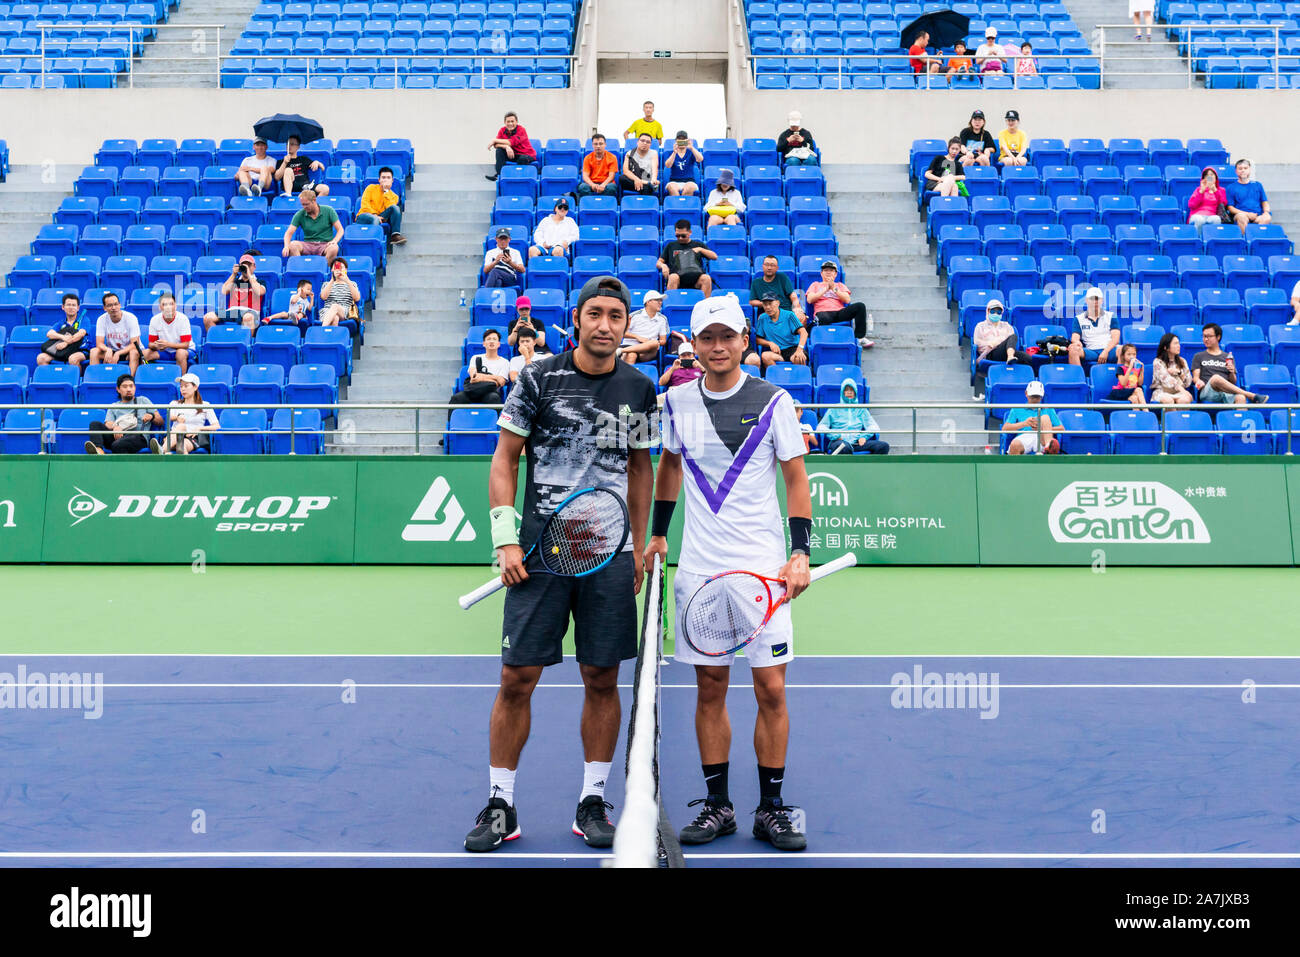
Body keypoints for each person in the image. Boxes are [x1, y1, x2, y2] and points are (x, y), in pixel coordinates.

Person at [465, 275, 657, 853]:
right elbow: (505, 460)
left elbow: (641, 468)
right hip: (539, 555)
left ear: (628, 325)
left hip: (610, 555)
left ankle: (593, 801)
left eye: (616, 316)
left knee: (601, 677)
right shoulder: (537, 378)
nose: (605, 325)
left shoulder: (639, 387)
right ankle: (501, 804)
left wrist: (642, 543)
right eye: (595, 313)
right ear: (577, 319)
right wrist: (505, 539)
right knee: (515, 678)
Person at [645, 293, 812, 852]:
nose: (717, 347)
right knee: (709, 687)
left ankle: (771, 808)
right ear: (693, 345)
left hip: (765, 574)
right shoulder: (674, 403)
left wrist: (800, 552)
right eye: (706, 338)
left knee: (771, 689)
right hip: (700, 572)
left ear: (745, 338)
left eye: (727, 336)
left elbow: (795, 478)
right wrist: (660, 532)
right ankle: (718, 805)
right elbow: (668, 466)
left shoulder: (775, 400)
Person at [85, 373, 162, 455]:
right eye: (125, 386)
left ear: (135, 388)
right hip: (118, 436)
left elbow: (160, 421)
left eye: (131, 386)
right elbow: (108, 423)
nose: (129, 389)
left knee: (117, 445)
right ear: (118, 389)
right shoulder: (114, 406)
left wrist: (152, 416)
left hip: (138, 437)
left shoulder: (143, 400)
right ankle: (99, 451)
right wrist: (115, 426)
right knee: (95, 424)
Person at [1190, 322, 1266, 405]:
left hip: (1225, 392)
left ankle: (1240, 417)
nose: (1206, 339)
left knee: (1241, 397)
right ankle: (1251, 396)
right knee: (1215, 378)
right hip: (1207, 391)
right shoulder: (1198, 356)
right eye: (1204, 336)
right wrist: (1198, 381)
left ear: (1218, 337)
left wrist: (1232, 372)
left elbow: (1233, 382)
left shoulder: (1228, 357)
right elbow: (1195, 377)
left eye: (1209, 336)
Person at [805, 260, 873, 348]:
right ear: (821, 273)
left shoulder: (840, 285)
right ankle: (826, 340)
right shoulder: (815, 285)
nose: (828, 272)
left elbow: (847, 300)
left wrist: (834, 289)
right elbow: (810, 300)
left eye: (831, 270)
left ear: (835, 274)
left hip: (840, 312)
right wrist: (825, 289)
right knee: (822, 317)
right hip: (823, 313)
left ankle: (859, 337)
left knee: (860, 306)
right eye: (826, 270)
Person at [150, 372, 219, 455]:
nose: (183, 389)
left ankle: (163, 450)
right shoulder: (174, 403)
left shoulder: (205, 405)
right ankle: (165, 450)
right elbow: (169, 417)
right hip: (174, 437)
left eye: (186, 386)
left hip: (193, 437)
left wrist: (199, 428)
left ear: (195, 387)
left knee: (182, 445)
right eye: (181, 386)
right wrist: (177, 418)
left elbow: (216, 426)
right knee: (181, 427)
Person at [818, 378, 888, 454]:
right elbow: (821, 426)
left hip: (857, 442)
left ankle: (871, 466)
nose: (849, 392)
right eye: (847, 390)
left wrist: (864, 437)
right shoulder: (834, 409)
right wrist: (836, 436)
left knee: (883, 446)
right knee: (844, 447)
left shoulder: (861, 409)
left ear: (855, 392)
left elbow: (873, 426)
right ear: (843, 393)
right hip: (839, 441)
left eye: (852, 390)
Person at [203, 253, 264, 329]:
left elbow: (259, 292)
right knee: (208, 317)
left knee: (248, 318)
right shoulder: (235, 281)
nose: (246, 268)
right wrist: (234, 274)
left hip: (250, 312)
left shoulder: (260, 281)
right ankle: (217, 339)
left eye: (249, 265)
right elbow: (224, 291)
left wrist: (249, 274)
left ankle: (246, 340)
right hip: (232, 311)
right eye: (243, 266)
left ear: (254, 267)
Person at [283, 188, 344, 265]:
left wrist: (335, 241)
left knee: (334, 248)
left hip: (325, 244)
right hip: (308, 244)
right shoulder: (300, 214)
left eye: (307, 204)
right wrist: (286, 246)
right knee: (292, 245)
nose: (304, 207)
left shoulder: (329, 210)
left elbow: (340, 230)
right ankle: (300, 269)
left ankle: (324, 269)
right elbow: (289, 233)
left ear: (314, 200)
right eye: (303, 204)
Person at [971, 298, 1017, 399]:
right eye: (993, 311)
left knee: (1025, 357)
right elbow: (978, 344)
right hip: (990, 354)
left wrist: (996, 342)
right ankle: (1010, 356)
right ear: (988, 311)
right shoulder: (980, 326)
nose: (996, 314)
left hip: (1006, 352)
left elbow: (1010, 342)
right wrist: (994, 344)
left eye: (998, 311)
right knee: (1012, 338)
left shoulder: (1007, 326)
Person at [451, 328, 510, 404]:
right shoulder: (475, 358)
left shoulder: (505, 362)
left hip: (490, 392)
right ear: (484, 343)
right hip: (473, 390)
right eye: (488, 339)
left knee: (494, 398)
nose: (491, 341)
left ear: (498, 344)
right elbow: (474, 377)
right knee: (456, 398)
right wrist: (495, 378)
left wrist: (481, 377)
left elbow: (501, 382)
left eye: (494, 339)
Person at [89, 291, 143, 374]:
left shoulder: (131, 318)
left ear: (120, 305)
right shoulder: (101, 319)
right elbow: (99, 343)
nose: (113, 307)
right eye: (110, 305)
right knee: (94, 351)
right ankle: (95, 379)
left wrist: (118, 353)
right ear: (104, 308)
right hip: (112, 350)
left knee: (134, 352)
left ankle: (129, 381)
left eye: (116, 304)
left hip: (129, 351)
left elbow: (135, 344)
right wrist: (108, 350)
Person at [1003, 380, 1063, 454]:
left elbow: (1061, 428)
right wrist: (1025, 423)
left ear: (1042, 395)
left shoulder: (1049, 409)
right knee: (1015, 445)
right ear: (1026, 393)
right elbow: (1005, 428)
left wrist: (1042, 428)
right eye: (1032, 396)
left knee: (1045, 418)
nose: (1035, 399)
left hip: (1043, 437)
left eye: (1037, 397)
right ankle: (1014, 465)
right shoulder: (1016, 409)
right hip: (1024, 436)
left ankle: (1048, 447)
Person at [658, 219, 716, 295]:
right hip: (678, 279)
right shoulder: (671, 245)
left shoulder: (698, 244)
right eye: (677, 236)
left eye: (683, 236)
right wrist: (663, 266)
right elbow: (659, 262)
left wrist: (701, 249)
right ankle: (671, 304)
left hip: (695, 279)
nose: (680, 238)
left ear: (690, 232)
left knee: (706, 278)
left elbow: (714, 256)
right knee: (673, 277)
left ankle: (704, 305)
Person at [1068, 287, 1119, 366]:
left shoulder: (1111, 316)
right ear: (1086, 300)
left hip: (1109, 350)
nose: (1095, 301)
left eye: (1097, 299)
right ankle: (1079, 377)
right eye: (1092, 299)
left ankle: (1121, 377)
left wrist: (1106, 351)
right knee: (1072, 349)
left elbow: (1116, 339)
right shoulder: (1079, 318)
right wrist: (1077, 343)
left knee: (1124, 350)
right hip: (1091, 351)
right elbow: (1075, 337)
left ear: (1102, 300)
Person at [142, 292, 193, 372]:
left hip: (185, 350)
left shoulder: (183, 319)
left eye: (171, 304)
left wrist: (167, 344)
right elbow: (150, 344)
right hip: (164, 351)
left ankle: (181, 382)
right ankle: (147, 380)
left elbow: (186, 345)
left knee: (180, 353)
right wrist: (156, 346)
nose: (168, 307)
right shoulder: (154, 320)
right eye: (164, 304)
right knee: (144, 354)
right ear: (160, 307)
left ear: (175, 306)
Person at [754, 294, 808, 367]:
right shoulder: (762, 318)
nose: (768, 307)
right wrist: (770, 343)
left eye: (770, 304)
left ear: (778, 303)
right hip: (776, 352)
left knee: (798, 358)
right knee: (765, 356)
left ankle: (797, 378)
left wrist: (799, 349)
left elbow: (804, 333)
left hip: (792, 348)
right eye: (765, 304)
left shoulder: (789, 315)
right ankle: (776, 377)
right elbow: (758, 339)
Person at [37, 292, 88, 369]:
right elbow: (49, 334)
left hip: (81, 350)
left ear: (78, 308)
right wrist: (63, 337)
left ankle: (76, 379)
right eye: (68, 305)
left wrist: (66, 343)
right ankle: (48, 379)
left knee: (73, 359)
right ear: (63, 307)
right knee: (41, 358)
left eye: (73, 305)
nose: (71, 307)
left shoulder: (84, 320)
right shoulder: (61, 323)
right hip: (63, 351)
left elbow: (81, 334)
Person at [356, 166, 405, 245]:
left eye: (388, 178)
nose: (385, 180)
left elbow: (390, 208)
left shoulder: (394, 196)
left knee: (395, 208)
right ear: (379, 180)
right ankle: (373, 243)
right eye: (383, 177)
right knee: (375, 219)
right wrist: (374, 215)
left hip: (381, 216)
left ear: (392, 180)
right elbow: (365, 204)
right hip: (364, 215)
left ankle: (395, 235)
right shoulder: (370, 188)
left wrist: (386, 191)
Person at [749, 255, 805, 321]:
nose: (769, 267)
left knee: (802, 318)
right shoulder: (756, 282)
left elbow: (793, 296)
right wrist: (768, 304)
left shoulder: (782, 277)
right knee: (762, 318)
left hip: (786, 311)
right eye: (766, 265)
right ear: (762, 266)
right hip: (768, 312)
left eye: (772, 265)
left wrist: (797, 308)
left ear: (777, 268)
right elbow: (752, 301)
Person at [619, 290, 668, 364]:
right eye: (657, 300)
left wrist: (648, 342)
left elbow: (663, 341)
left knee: (654, 343)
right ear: (648, 302)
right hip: (630, 346)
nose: (660, 302)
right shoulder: (634, 316)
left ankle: (620, 351)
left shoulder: (662, 319)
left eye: (661, 300)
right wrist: (637, 337)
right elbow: (621, 333)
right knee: (632, 355)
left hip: (647, 351)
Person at [1224, 158, 1271, 235]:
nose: (1243, 170)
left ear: (1249, 170)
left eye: (1245, 168)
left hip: (1257, 215)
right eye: (1240, 168)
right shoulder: (1231, 187)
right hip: (1241, 215)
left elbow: (1264, 202)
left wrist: (1266, 212)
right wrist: (1247, 214)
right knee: (1241, 217)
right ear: (1236, 171)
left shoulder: (1257, 185)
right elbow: (1230, 208)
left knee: (1267, 217)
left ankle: (1257, 241)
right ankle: (1246, 241)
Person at [486, 111, 537, 182]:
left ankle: (519, 180)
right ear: (505, 122)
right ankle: (499, 176)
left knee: (522, 159)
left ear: (516, 122)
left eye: (512, 121)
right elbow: (496, 145)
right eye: (508, 121)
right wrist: (506, 147)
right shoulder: (502, 130)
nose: (510, 124)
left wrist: (494, 140)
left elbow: (510, 142)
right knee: (499, 150)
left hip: (527, 155)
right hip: (513, 154)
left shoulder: (521, 130)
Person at [275, 134, 328, 201]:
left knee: (325, 189)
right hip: (291, 186)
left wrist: (317, 162)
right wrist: (285, 163)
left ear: (298, 147)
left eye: (292, 144)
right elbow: (277, 177)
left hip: (305, 186)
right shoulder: (281, 161)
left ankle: (312, 205)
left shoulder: (303, 159)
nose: (289, 146)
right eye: (288, 144)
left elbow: (323, 168)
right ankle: (289, 196)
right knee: (288, 170)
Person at [1150, 333, 1194, 405]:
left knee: (1185, 400)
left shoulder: (1182, 361)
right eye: (1175, 343)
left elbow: (1188, 383)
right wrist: (1183, 390)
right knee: (1168, 400)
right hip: (1162, 391)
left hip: (1179, 392)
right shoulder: (1158, 362)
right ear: (1166, 347)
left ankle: (1179, 416)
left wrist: (1179, 372)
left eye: (1179, 343)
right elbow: (1166, 381)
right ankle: (1170, 416)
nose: (1179, 346)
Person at [319, 258, 361, 328]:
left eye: (341, 268)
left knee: (335, 306)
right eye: (336, 267)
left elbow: (357, 298)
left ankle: (322, 330)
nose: (339, 270)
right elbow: (323, 297)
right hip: (327, 311)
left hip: (345, 311)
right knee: (335, 318)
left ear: (346, 270)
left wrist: (347, 280)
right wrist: (332, 280)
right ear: (332, 270)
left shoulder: (352, 283)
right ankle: (331, 338)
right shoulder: (326, 284)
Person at [1187, 167, 1226, 234]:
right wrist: (1201, 191)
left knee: (1216, 219)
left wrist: (1215, 191)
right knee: (1199, 220)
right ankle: (1198, 240)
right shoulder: (1199, 189)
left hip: (1212, 215)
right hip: (1197, 215)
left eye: (1212, 175)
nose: (1209, 177)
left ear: (1216, 177)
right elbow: (1191, 205)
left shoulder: (1221, 190)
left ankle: (1211, 241)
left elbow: (1223, 204)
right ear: (1204, 178)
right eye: (1207, 175)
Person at [664, 131, 703, 196]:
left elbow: (700, 159)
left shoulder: (691, 152)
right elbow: (668, 165)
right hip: (674, 181)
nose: (681, 141)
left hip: (689, 181)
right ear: (676, 141)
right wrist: (674, 152)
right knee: (671, 187)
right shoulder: (670, 152)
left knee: (690, 187)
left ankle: (683, 204)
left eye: (683, 139)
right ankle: (677, 205)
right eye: (679, 139)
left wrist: (692, 148)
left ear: (687, 140)